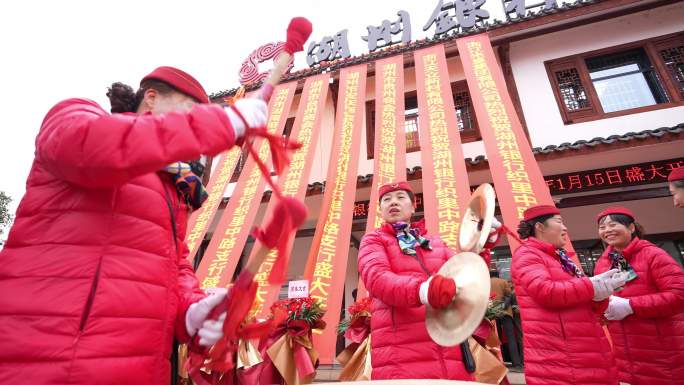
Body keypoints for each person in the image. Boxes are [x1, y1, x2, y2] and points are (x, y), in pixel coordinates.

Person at [0, 66, 270, 385]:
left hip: (142, 367)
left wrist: (192, 309)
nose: (195, 128)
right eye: (189, 113)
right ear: (151, 99)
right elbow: (92, 146)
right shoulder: (77, 116)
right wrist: (217, 123)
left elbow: (175, 265)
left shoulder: (174, 188)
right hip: (54, 359)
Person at [357, 181, 477, 380]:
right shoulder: (373, 240)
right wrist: (423, 291)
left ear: (414, 206)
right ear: (380, 209)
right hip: (400, 352)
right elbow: (377, 279)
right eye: (386, 200)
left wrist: (481, 250)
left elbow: (462, 273)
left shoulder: (434, 242)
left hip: (450, 350)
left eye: (400, 198)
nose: (393, 202)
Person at [511, 204, 624, 385]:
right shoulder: (527, 255)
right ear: (539, 227)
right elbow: (546, 291)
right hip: (562, 357)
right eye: (559, 222)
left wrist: (601, 294)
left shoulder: (560, 257)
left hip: (584, 349)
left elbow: (582, 299)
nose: (565, 228)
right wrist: (590, 286)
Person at [594, 206, 684, 385]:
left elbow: (679, 295)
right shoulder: (604, 263)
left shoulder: (653, 255)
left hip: (663, 353)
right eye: (602, 227)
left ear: (631, 228)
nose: (607, 230)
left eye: (613, 224)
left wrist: (630, 306)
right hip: (624, 354)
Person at [490, 270, 522, 369]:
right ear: (498, 275)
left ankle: (499, 362)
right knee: (511, 338)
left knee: (496, 339)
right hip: (505, 312)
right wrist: (503, 306)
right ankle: (516, 363)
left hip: (492, 313)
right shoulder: (503, 282)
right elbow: (509, 295)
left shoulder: (486, 283)